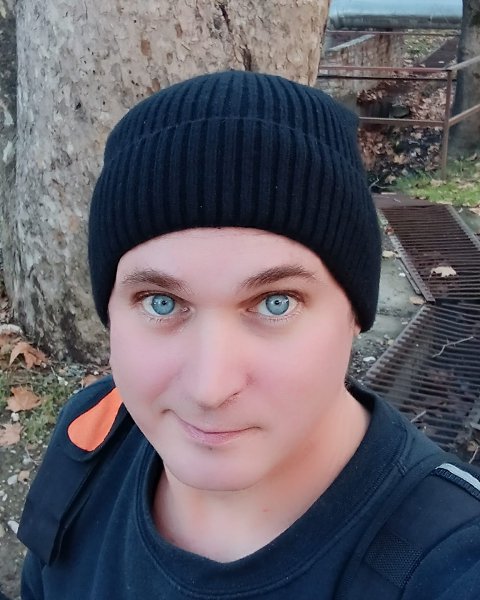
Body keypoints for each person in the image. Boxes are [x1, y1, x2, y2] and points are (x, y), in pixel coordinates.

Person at [18, 70, 480, 599]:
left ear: (355, 313)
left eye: (275, 303)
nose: (209, 389)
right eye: (161, 302)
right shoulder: (92, 434)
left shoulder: (451, 562)